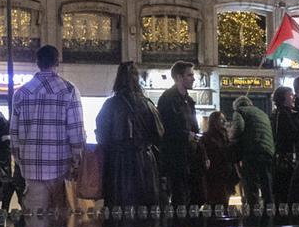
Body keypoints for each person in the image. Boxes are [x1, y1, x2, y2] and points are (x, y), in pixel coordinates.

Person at [11, 45, 86, 214]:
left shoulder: (21, 93)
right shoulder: (68, 91)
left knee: (36, 219)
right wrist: (77, 160)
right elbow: (76, 131)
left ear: (37, 62)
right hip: (61, 165)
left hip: (31, 167)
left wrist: (20, 161)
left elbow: (14, 134)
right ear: (57, 62)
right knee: (59, 217)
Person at [94, 61, 163, 209]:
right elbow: (158, 133)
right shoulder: (148, 104)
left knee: (118, 209)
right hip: (145, 162)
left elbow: (101, 135)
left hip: (118, 164)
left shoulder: (110, 105)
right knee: (145, 210)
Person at [156, 61, 203, 206]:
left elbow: (195, 128)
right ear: (178, 77)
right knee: (179, 196)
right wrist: (185, 135)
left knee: (194, 196)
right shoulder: (168, 99)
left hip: (190, 156)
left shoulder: (189, 101)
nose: (193, 79)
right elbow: (165, 128)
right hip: (175, 157)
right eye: (189, 75)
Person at [228, 95, 275, 210]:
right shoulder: (262, 113)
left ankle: (254, 214)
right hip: (268, 151)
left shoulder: (239, 112)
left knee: (251, 184)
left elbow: (238, 128)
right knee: (266, 184)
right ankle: (269, 213)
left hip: (252, 151)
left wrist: (230, 137)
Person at [271, 85, 299, 203]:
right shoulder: (283, 114)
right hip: (287, 159)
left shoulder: (284, 113)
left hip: (286, 158)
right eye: (290, 95)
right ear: (283, 98)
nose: (293, 97)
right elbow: (294, 134)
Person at [199, 111, 239, 207]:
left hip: (224, 175)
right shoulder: (207, 137)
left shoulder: (224, 135)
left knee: (223, 202)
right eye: (221, 119)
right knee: (216, 203)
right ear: (215, 121)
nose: (224, 121)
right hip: (215, 176)